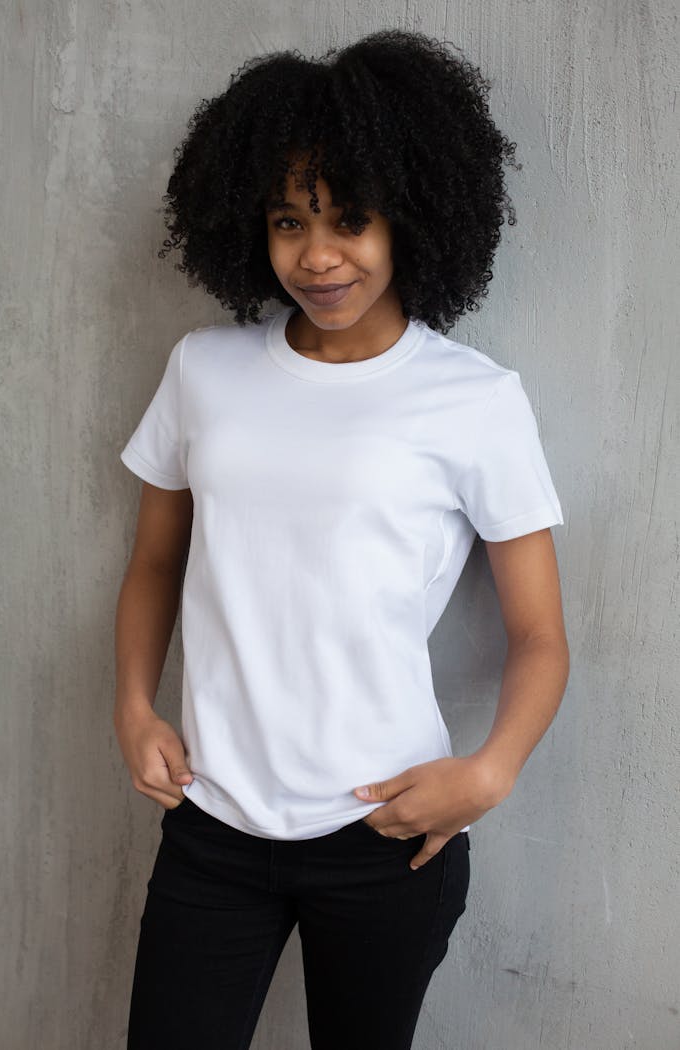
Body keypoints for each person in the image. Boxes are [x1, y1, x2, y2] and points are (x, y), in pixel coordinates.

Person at [113, 28, 570, 1050]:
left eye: (349, 220)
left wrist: (487, 773)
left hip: (384, 832)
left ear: (411, 216)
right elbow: (153, 562)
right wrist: (133, 706)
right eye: (288, 222)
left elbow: (539, 633)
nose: (316, 257)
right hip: (213, 827)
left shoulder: (474, 399)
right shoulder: (204, 369)